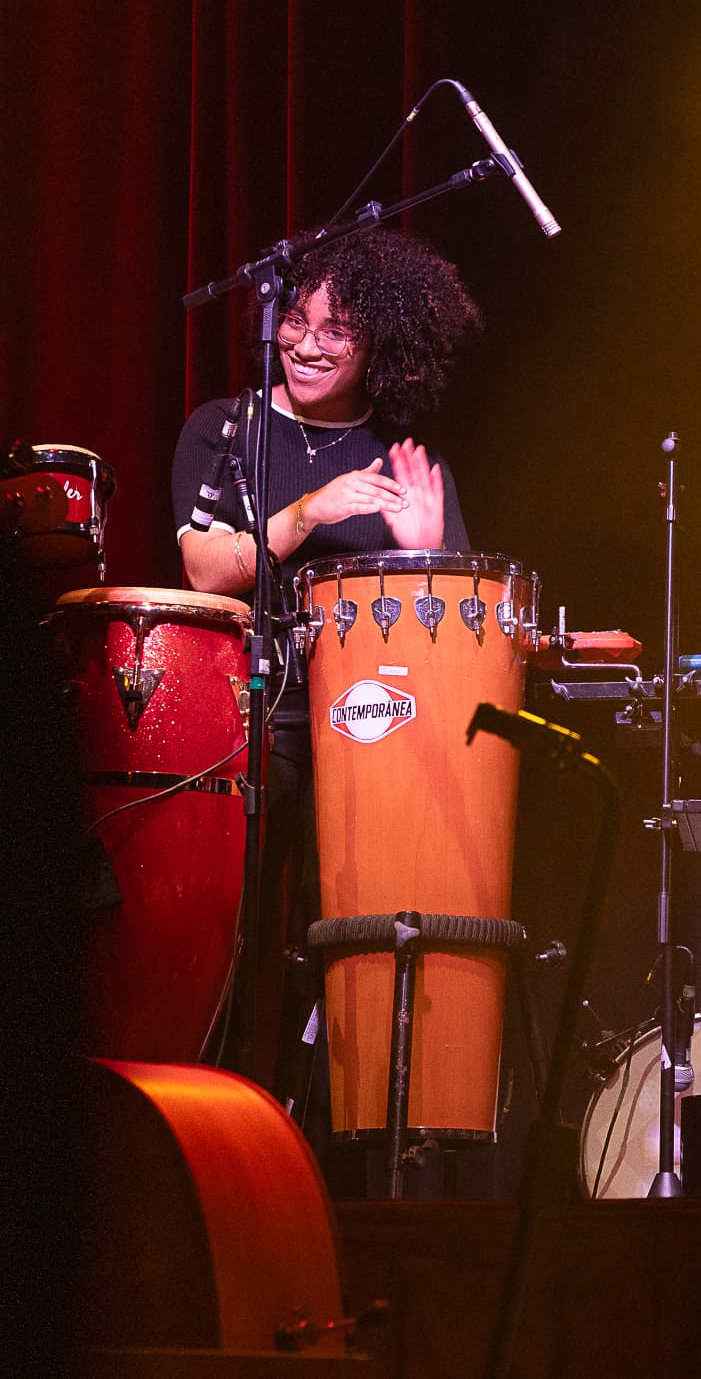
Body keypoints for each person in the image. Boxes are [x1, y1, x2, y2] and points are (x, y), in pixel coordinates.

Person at [170, 225, 482, 1087]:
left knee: (348, 938)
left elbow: (448, 642)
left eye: (335, 328)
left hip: (370, 739)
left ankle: (340, 1135)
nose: (306, 342)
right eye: (297, 320)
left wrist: (423, 553)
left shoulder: (402, 463)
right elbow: (203, 568)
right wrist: (305, 512)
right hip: (246, 728)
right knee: (235, 940)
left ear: (378, 338)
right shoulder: (223, 431)